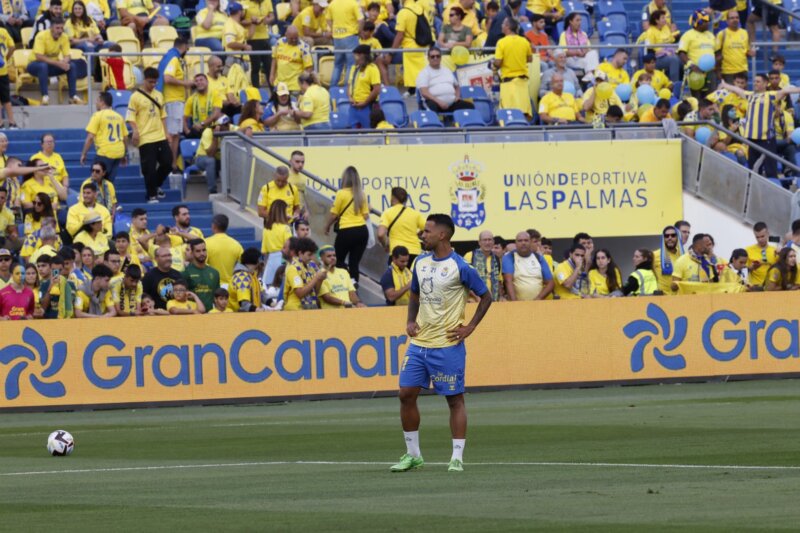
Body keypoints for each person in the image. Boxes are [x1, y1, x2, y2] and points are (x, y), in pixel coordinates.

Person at [391, 214, 491, 473]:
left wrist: (470, 327)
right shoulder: (420, 263)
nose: (422, 235)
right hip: (419, 343)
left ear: (442, 235)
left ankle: (457, 456)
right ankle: (413, 455)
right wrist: (410, 320)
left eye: (426, 231)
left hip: (447, 344)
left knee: (454, 400)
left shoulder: (461, 266)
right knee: (405, 394)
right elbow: (414, 293)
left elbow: (486, 296)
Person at [720, 76, 800, 178]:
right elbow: (737, 89)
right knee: (753, 169)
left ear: (765, 84)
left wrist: (798, 89)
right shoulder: (750, 95)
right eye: (754, 81)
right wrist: (725, 85)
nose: (755, 83)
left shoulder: (771, 95)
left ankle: (773, 189)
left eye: (758, 81)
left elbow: (786, 90)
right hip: (752, 139)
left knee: (770, 169)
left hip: (766, 139)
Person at [126, 67, 171, 203]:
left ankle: (155, 185)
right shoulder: (135, 97)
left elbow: (163, 116)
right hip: (145, 137)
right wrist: (135, 130)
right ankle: (151, 195)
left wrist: (166, 132)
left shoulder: (159, 95)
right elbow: (130, 116)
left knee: (168, 163)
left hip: (160, 135)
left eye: (155, 82)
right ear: (144, 80)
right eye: (150, 82)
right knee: (149, 168)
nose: (153, 85)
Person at [324, 166, 370, 285]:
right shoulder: (361, 194)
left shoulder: (341, 193)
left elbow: (334, 215)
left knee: (338, 259)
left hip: (346, 231)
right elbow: (365, 215)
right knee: (354, 263)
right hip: (361, 231)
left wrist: (327, 226)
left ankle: (342, 285)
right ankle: (354, 286)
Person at [28, 17, 82, 105]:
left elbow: (67, 55)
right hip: (34, 65)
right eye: (57, 28)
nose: (60, 31)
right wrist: (59, 63)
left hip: (52, 66)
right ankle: (45, 96)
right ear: (51, 28)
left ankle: (73, 96)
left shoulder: (64, 37)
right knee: (43, 66)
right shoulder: (41, 36)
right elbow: (39, 57)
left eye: (61, 28)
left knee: (71, 66)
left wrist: (65, 61)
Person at [161, 38, 192, 176]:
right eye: (187, 47)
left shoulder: (171, 57)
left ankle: (171, 164)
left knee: (175, 135)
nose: (188, 50)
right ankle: (171, 166)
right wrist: (185, 83)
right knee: (173, 135)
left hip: (174, 101)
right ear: (183, 46)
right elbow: (167, 78)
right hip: (173, 101)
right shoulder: (174, 59)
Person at [81, 92, 127, 182]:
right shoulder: (119, 117)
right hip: (118, 153)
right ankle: (108, 196)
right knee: (109, 182)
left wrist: (84, 154)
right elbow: (125, 137)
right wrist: (125, 154)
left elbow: (90, 137)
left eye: (97, 101)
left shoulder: (98, 115)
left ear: (102, 102)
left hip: (105, 152)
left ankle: (99, 196)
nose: (96, 103)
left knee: (96, 180)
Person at [416, 47, 474, 114]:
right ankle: (435, 124)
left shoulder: (447, 70)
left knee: (469, 106)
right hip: (433, 102)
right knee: (432, 108)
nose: (435, 58)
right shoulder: (424, 73)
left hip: (451, 103)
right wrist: (439, 102)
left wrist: (457, 97)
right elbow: (424, 93)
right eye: (432, 57)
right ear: (428, 58)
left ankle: (460, 123)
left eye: (438, 56)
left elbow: (457, 86)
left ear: (441, 57)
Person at [494, 17, 532, 118]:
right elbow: (529, 59)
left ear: (508, 27)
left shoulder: (501, 42)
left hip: (508, 83)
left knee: (508, 114)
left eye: (503, 24)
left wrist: (493, 64)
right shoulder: (524, 41)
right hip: (522, 83)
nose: (501, 26)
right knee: (523, 113)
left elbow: (498, 62)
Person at [502, 231, 554, 300]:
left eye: (526, 240)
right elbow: (508, 281)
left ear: (530, 243)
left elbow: (550, 283)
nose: (523, 243)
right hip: (517, 304)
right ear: (516, 244)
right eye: (520, 241)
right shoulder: (509, 257)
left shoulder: (539, 258)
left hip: (538, 304)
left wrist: (538, 299)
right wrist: (514, 303)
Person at [377, 186, 425, 262]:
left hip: (397, 254)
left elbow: (380, 234)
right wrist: (420, 233)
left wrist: (386, 245)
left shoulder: (387, 213)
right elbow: (427, 228)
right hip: (415, 252)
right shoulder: (415, 214)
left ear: (392, 197)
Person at [392, 0, 427, 96]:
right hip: (422, 44)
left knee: (411, 72)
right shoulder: (420, 8)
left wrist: (392, 51)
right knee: (419, 70)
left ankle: (416, 91)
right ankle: (413, 90)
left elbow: (399, 35)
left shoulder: (403, 12)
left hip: (410, 46)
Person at [678, 10, 715, 96]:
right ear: (698, 22)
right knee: (697, 99)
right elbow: (681, 53)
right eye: (705, 22)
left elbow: (716, 52)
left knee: (711, 98)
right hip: (695, 71)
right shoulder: (687, 35)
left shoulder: (711, 35)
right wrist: (691, 65)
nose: (707, 23)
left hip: (710, 72)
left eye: (708, 21)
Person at [327, 0, 361, 87]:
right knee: (351, 65)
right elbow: (361, 20)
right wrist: (359, 32)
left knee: (337, 65)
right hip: (350, 36)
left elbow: (328, 19)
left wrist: (334, 30)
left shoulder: (332, 3)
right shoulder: (353, 3)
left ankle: (332, 89)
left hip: (337, 38)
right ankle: (347, 90)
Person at [282, 237, 323, 310]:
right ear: (300, 253)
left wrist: (320, 279)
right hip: (295, 309)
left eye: (312, 254)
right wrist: (316, 278)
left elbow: (315, 291)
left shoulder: (311, 266)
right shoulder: (292, 268)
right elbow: (300, 293)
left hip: (310, 307)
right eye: (309, 255)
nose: (311, 258)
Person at [639, 9, 680, 82]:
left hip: (668, 54)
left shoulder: (665, 28)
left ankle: (681, 84)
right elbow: (650, 50)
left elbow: (670, 40)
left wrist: (676, 35)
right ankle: (674, 84)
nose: (665, 19)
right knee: (674, 60)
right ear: (657, 20)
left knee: (680, 59)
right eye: (663, 18)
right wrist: (664, 52)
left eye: (665, 17)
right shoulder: (650, 32)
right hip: (656, 58)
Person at [270, 25, 312, 93]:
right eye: (291, 38)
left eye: (296, 38)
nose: (294, 40)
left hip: (295, 86)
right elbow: (274, 59)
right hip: (279, 85)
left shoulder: (304, 47)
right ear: (286, 35)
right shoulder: (279, 43)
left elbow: (309, 67)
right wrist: (272, 74)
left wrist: (304, 83)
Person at [347, 44, 381, 128]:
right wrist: (350, 97)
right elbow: (349, 85)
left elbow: (376, 89)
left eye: (356, 55)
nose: (355, 58)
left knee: (369, 133)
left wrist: (365, 102)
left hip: (367, 107)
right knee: (353, 133)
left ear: (362, 56)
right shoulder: (354, 68)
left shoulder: (372, 68)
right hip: (353, 106)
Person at [195, 115, 231, 195]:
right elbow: (210, 154)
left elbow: (240, 129)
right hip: (201, 158)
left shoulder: (229, 128)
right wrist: (215, 137)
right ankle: (212, 191)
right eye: (225, 125)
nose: (228, 126)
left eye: (228, 124)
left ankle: (233, 190)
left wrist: (248, 128)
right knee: (210, 161)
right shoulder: (208, 132)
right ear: (217, 126)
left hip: (218, 159)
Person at [261, 199, 292, 289]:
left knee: (268, 287)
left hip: (270, 260)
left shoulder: (266, 229)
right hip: (282, 259)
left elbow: (264, 251)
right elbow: (290, 245)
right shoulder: (285, 228)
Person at [464, 230, 503, 301]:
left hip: (493, 301)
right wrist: (476, 297)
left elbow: (499, 281)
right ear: (479, 242)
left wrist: (501, 296)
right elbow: (465, 280)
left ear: (493, 242)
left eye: (489, 240)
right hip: (474, 301)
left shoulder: (496, 259)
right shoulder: (470, 256)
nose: (487, 242)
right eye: (484, 240)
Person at [242, 0, 274, 88]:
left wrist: (268, 19)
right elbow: (240, 21)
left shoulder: (267, 1)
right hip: (252, 38)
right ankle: (256, 94)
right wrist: (252, 22)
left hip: (265, 37)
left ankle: (273, 94)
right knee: (255, 67)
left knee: (269, 67)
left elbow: (272, 16)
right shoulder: (244, 3)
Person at [182, 238, 220, 312]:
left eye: (204, 250)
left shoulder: (215, 272)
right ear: (192, 253)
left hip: (211, 315)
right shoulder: (185, 273)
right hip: (193, 315)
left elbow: (217, 297)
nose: (202, 253)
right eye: (198, 251)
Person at [206, 214, 243, 287]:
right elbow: (244, 266)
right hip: (231, 286)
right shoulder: (237, 244)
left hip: (213, 285)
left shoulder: (206, 243)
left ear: (213, 226)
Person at [715, 10, 752, 84]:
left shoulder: (745, 33)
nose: (735, 20)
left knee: (742, 95)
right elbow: (717, 54)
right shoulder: (722, 34)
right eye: (732, 18)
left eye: (737, 18)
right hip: (728, 72)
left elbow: (747, 51)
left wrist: (751, 52)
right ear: (727, 21)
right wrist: (718, 71)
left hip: (742, 71)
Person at [559, 12, 598, 80]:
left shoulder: (583, 34)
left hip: (581, 59)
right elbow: (564, 52)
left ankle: (589, 74)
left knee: (593, 53)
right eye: (577, 20)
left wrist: (585, 51)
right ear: (570, 21)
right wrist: (576, 52)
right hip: (570, 59)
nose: (579, 22)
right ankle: (591, 75)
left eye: (580, 20)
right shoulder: (564, 34)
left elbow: (589, 49)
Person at [182, 73, 222, 139]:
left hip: (212, 127)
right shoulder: (191, 99)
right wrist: (187, 131)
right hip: (198, 130)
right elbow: (184, 117)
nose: (199, 82)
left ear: (207, 82)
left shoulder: (215, 94)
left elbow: (216, 114)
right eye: (196, 81)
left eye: (201, 80)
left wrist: (202, 124)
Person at [230, 247, 266, 312]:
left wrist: (273, 304)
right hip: (240, 318)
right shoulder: (242, 277)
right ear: (257, 261)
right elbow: (244, 304)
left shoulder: (253, 276)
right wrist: (260, 310)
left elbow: (261, 295)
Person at [745, 221, 778, 287]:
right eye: (757, 237)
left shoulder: (775, 250)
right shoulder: (748, 250)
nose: (760, 239)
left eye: (762, 236)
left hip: (771, 288)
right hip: (755, 287)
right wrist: (751, 268)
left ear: (768, 234)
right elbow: (742, 271)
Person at [652, 225, 683, 295]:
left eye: (673, 235)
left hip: (680, 297)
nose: (670, 238)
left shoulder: (683, 256)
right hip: (662, 298)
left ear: (678, 237)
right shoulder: (654, 255)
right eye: (666, 236)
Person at [0, 25, 17, 129]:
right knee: (6, 99)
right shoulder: (3, 31)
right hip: (3, 69)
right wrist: (6, 57)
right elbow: (12, 47)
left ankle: (1, 124)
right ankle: (12, 123)